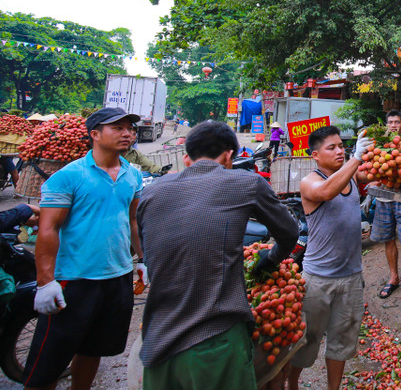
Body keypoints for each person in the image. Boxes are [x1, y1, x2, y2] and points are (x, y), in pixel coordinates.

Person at [136, 121, 299, 390]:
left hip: (157, 344)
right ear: (228, 156)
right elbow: (289, 233)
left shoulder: (152, 192)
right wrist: (270, 258)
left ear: (187, 157)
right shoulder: (246, 182)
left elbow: (150, 252)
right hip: (216, 342)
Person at [23, 107, 147, 390]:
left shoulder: (132, 176)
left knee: (93, 350)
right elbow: (48, 228)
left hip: (116, 278)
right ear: (94, 134)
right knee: (49, 361)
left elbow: (132, 221)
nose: (127, 133)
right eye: (117, 127)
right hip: (74, 280)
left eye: (130, 128)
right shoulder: (68, 177)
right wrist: (45, 282)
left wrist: (141, 259)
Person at [286, 126, 373, 390]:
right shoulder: (309, 182)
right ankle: (292, 385)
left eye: (341, 146)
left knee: (342, 341)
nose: (339, 151)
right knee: (306, 340)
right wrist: (356, 157)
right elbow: (325, 192)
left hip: (351, 277)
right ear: (315, 155)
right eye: (331, 147)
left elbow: (384, 172)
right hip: (317, 279)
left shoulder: (352, 175)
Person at [370, 110, 401, 305]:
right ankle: (393, 277)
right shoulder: (378, 146)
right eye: (389, 122)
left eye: (396, 122)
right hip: (383, 199)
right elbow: (371, 171)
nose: (392, 125)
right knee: (388, 240)